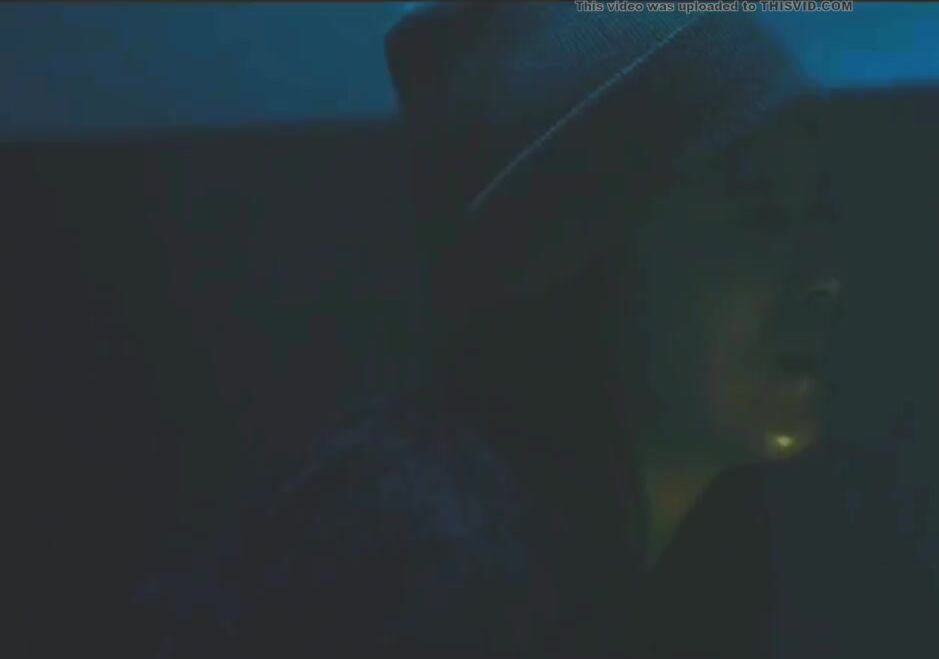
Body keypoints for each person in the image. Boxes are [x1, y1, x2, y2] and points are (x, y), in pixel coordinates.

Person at [134, 5, 863, 658]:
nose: (824, 274)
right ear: (579, 255)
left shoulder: (690, 566)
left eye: (822, 212)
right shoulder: (428, 579)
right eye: (760, 215)